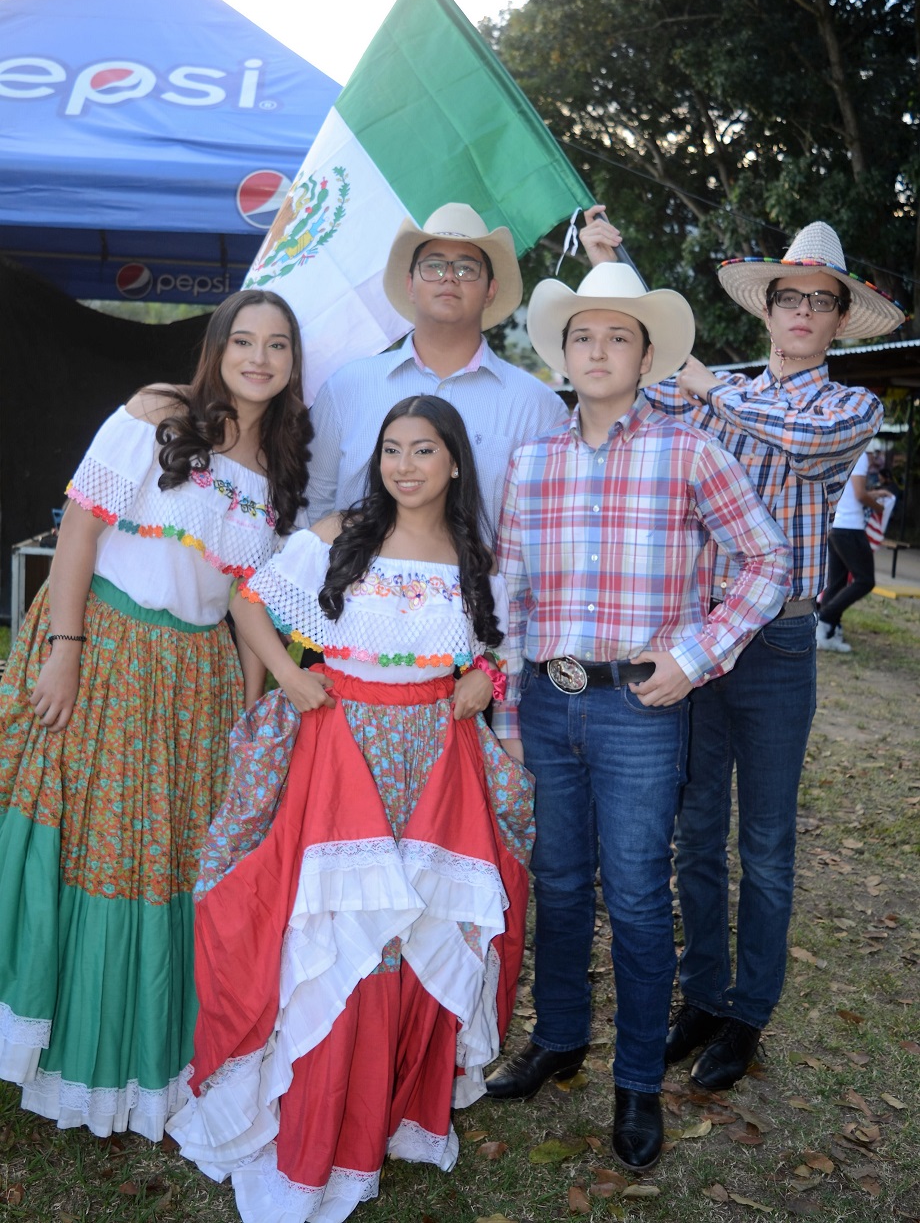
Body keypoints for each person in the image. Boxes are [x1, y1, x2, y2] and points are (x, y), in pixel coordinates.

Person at [168, 395, 534, 1223]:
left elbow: (502, 644)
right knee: (343, 940)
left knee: (409, 938)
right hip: (342, 756)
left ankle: (387, 1115)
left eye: (424, 451)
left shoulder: (474, 555)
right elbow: (247, 601)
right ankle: (313, 1131)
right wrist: (293, 678)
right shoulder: (341, 534)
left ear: (452, 462)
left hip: (435, 765)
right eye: (392, 450)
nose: (405, 466)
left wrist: (488, 678)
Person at [581, 212, 904, 1091]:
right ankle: (704, 995)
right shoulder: (713, 382)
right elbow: (648, 358)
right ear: (768, 309)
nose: (802, 310)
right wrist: (617, 264)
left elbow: (792, 443)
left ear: (839, 320)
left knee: (764, 839)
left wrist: (707, 387)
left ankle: (749, 1013)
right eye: (789, 296)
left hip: (781, 636)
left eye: (820, 301)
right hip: (697, 635)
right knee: (695, 831)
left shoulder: (849, 405)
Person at [482, 264, 791, 1172]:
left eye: (619, 337)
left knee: (639, 896)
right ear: (564, 355)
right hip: (547, 700)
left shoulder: (689, 452)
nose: (600, 350)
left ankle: (638, 1080)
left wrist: (694, 657)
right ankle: (562, 1035)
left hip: (639, 708)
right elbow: (507, 595)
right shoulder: (529, 462)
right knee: (562, 881)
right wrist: (507, 711)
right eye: (584, 337)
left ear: (647, 355)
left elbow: (766, 562)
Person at [0, 289, 310, 1140]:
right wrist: (64, 646)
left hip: (196, 684)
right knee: (76, 841)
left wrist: (246, 711)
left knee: (157, 862)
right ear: (214, 351)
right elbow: (79, 534)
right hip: (105, 651)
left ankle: (130, 1053)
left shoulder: (282, 468)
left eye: (276, 345)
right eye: (242, 340)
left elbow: (249, 602)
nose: (258, 357)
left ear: (292, 364)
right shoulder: (156, 415)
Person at [307, 203, 570, 532]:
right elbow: (314, 506)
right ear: (410, 284)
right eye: (433, 266)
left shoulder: (536, 407)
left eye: (465, 268)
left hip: (482, 583)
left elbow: (547, 528)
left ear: (490, 289)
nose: (448, 276)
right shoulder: (347, 387)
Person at [816, 447, 894, 652]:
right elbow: (859, 494)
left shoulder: (841, 453)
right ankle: (824, 620)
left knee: (837, 583)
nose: (875, 459)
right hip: (851, 528)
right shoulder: (860, 456)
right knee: (865, 580)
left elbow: (851, 490)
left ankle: (826, 631)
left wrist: (873, 494)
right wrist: (879, 507)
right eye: (875, 454)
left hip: (836, 525)